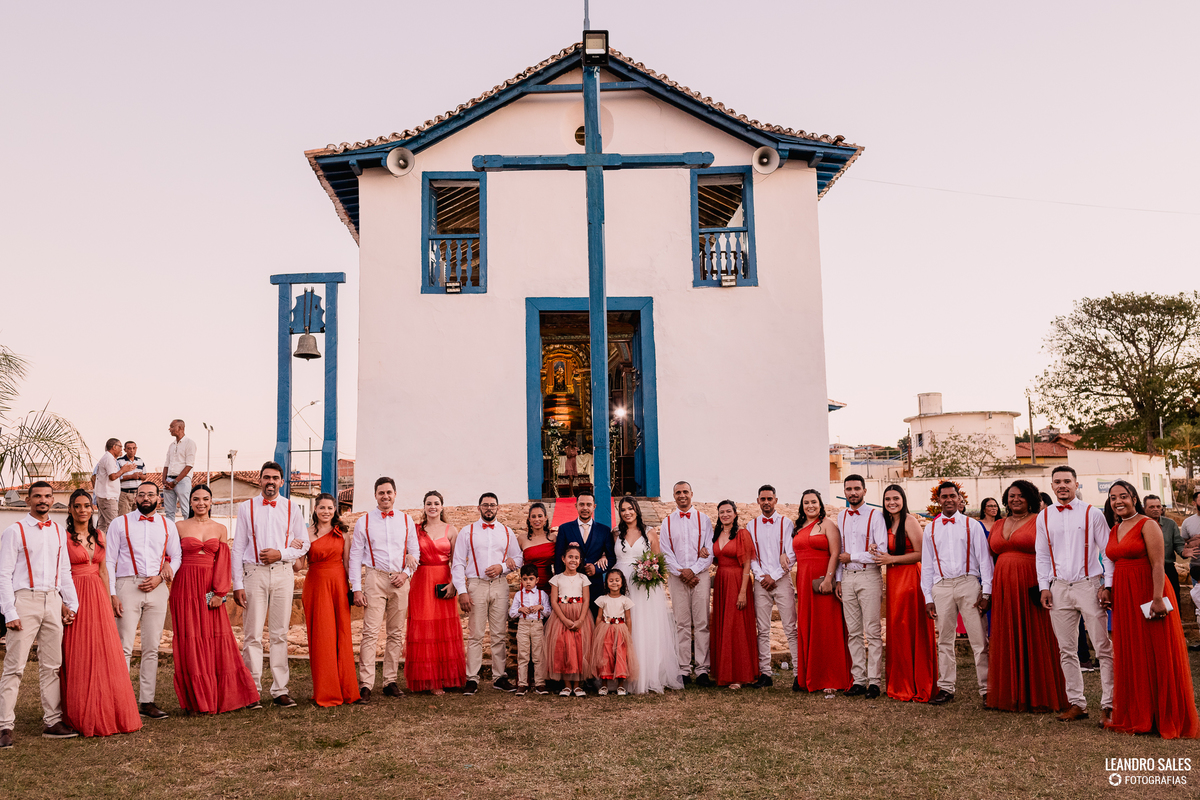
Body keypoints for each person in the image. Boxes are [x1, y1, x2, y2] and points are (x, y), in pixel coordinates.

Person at [1102, 481, 1198, 739]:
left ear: (1134, 498)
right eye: (1113, 497)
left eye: (1123, 496)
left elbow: (1158, 564)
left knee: (1157, 651)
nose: (1118, 501)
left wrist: (1157, 598)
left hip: (1149, 590)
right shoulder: (1115, 528)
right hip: (1125, 595)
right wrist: (1107, 588)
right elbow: (1112, 562)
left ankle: (1160, 715)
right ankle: (1138, 711)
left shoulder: (1148, 524)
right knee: (1134, 651)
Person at [0, 482, 80, 748]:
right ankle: (4, 726)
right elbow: (3, 574)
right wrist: (9, 611)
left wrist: (70, 603)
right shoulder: (15, 531)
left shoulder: (58, 531)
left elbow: (64, 570)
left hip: (53, 600)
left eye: (47, 496)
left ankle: (52, 721)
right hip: (25, 600)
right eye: (37, 496)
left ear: (53, 499)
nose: (42, 500)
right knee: (14, 667)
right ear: (28, 500)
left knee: (52, 666)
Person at [1035, 465, 1114, 724]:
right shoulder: (1044, 516)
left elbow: (1108, 552)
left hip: (1088, 585)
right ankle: (1077, 703)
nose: (1062, 485)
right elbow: (1042, 555)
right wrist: (1044, 586)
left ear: (1076, 484)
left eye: (1067, 481)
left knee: (1102, 647)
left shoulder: (1092, 513)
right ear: (1052, 486)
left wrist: (1108, 584)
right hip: (1058, 587)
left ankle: (1109, 704)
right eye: (1057, 481)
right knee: (1066, 649)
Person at [171, 484, 261, 714]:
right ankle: (197, 699)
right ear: (189, 502)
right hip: (184, 588)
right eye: (196, 499)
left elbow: (223, 564)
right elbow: (170, 556)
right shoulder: (179, 526)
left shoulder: (220, 529)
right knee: (190, 638)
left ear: (212, 502)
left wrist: (219, 594)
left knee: (217, 637)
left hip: (209, 588)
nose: (201, 503)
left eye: (205, 499)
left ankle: (228, 695)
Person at [60, 490, 141, 736]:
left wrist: (108, 599)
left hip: (97, 594)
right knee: (79, 651)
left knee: (104, 651)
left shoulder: (100, 535)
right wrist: (63, 602)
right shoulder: (62, 537)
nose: (83, 510)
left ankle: (107, 707)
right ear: (70, 509)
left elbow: (104, 571)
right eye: (77, 506)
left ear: (93, 508)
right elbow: (59, 572)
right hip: (75, 594)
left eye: (87, 505)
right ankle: (80, 711)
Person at [985, 480, 1067, 713]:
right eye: (1012, 495)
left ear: (1030, 498)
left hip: (1032, 582)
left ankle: (1039, 694)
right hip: (1003, 586)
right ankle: (1010, 694)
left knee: (1036, 634)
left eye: (1021, 495)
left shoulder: (1041, 520)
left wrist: (1047, 583)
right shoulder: (998, 524)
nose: (1016, 499)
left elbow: (1054, 552)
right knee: (1007, 634)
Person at [231, 461, 308, 709]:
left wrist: (281, 553)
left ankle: (280, 690)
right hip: (254, 573)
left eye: (275, 478)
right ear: (260, 480)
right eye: (266, 477)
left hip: (283, 573)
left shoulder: (292, 507)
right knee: (252, 633)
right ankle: (252, 690)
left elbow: (304, 543)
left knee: (280, 633)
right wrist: (237, 583)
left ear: (282, 482)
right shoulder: (246, 508)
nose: (271, 482)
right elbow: (238, 547)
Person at [107, 480, 182, 720]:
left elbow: (177, 556)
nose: (146, 498)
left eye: (150, 494)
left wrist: (162, 576)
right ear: (135, 497)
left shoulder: (168, 525)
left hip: (157, 587)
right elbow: (109, 560)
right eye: (141, 494)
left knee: (152, 647)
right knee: (124, 646)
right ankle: (121, 700)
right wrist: (112, 593)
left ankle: (147, 701)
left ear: (159, 498)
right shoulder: (119, 523)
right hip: (127, 585)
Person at [922, 481, 992, 706]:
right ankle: (946, 687)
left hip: (968, 583)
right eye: (944, 497)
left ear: (959, 498)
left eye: (952, 496)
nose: (949, 500)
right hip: (941, 586)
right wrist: (928, 597)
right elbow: (927, 565)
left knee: (979, 640)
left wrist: (986, 592)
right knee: (944, 640)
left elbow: (985, 560)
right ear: (938, 500)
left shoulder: (972, 525)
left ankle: (987, 689)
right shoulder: (931, 528)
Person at [349, 477, 419, 701]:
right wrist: (356, 588)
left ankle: (390, 681)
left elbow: (415, 552)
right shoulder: (364, 521)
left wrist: (405, 574)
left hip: (400, 580)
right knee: (370, 632)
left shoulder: (407, 520)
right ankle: (366, 684)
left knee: (396, 632)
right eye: (381, 493)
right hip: (375, 578)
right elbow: (355, 557)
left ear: (395, 494)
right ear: (375, 495)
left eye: (389, 492)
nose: (385, 496)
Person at [451, 492, 522, 695]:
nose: (489, 508)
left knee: (499, 634)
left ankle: (499, 677)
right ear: (479, 508)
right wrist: (462, 591)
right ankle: (472, 678)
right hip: (476, 585)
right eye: (485, 505)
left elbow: (518, 558)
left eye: (492, 505)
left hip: (500, 585)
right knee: (475, 634)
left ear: (498, 508)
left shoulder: (507, 532)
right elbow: (457, 563)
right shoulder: (467, 532)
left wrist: (502, 567)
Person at [871, 485, 935, 702]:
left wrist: (892, 559)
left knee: (909, 628)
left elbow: (921, 554)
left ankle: (915, 682)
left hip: (909, 579)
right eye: (887, 499)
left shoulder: (910, 521)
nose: (892, 502)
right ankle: (900, 681)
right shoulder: (886, 523)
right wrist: (875, 549)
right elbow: (886, 549)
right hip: (894, 580)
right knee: (898, 630)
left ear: (903, 499)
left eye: (895, 498)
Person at [612, 496, 682, 694]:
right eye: (623, 510)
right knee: (622, 626)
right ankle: (621, 675)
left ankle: (646, 674)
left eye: (630, 508)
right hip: (620, 584)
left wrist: (649, 573)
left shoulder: (650, 532)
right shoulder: (615, 533)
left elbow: (658, 561)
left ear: (637, 510)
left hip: (643, 586)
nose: (627, 513)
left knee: (643, 626)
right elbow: (609, 555)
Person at [298, 492, 358, 708]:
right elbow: (298, 566)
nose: (326, 511)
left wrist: (355, 589)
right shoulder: (306, 533)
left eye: (329, 508)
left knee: (341, 634)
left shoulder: (343, 534)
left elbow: (348, 563)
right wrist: (294, 548)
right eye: (321, 507)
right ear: (315, 510)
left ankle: (345, 688)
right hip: (315, 585)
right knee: (321, 636)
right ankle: (326, 690)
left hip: (338, 585)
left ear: (335, 510)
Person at [405, 490, 466, 696]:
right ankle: (429, 680)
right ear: (424, 506)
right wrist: (407, 556)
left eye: (436, 503)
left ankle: (447, 677)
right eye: (429, 503)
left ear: (442, 506)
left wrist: (454, 584)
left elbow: (457, 561)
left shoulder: (451, 530)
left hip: (444, 581)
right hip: (421, 581)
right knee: (424, 627)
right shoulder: (415, 530)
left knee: (444, 628)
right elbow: (406, 551)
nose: (432, 507)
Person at [793, 489, 852, 697]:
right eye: (806, 502)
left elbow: (835, 553)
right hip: (803, 582)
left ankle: (832, 677)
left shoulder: (827, 524)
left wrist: (829, 579)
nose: (810, 506)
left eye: (814, 502)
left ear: (820, 504)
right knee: (808, 626)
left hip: (822, 580)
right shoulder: (798, 527)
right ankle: (812, 675)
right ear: (802, 506)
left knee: (827, 627)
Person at [835, 474, 887, 698]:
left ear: (865, 491)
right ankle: (858, 680)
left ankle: (874, 682)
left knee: (873, 631)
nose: (853, 492)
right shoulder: (841, 516)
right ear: (844, 492)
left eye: (857, 488)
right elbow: (840, 551)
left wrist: (853, 556)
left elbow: (880, 551)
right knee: (853, 632)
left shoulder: (876, 515)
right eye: (849, 489)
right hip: (847, 577)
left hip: (869, 577)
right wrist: (839, 578)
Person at [659, 481, 713, 686]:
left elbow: (709, 550)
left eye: (685, 492)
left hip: (700, 576)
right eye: (678, 492)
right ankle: (683, 669)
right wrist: (681, 572)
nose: (682, 495)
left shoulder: (704, 519)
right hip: (677, 577)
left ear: (692, 493)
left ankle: (702, 669)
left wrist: (694, 571)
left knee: (702, 623)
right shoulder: (667, 522)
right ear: (674, 496)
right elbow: (666, 551)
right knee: (681, 623)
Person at [746, 485, 798, 689]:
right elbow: (751, 556)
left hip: (782, 580)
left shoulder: (786, 523)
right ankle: (765, 674)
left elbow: (791, 554)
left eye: (769, 498)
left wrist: (774, 576)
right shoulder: (751, 526)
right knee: (763, 629)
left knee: (790, 627)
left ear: (776, 500)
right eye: (763, 499)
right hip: (761, 583)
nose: (766, 502)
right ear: (758, 501)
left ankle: (798, 673)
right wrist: (761, 576)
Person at [708, 500, 757, 690]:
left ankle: (739, 674)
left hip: (737, 582)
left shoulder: (742, 534)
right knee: (723, 625)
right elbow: (716, 559)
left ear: (735, 514)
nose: (725, 515)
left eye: (729, 511)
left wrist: (743, 592)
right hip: (721, 581)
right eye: (722, 512)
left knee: (736, 626)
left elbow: (747, 565)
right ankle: (724, 672)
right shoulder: (716, 534)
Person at [554, 493, 614, 620]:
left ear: (594, 507)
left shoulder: (604, 530)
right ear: (576, 506)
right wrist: (560, 583)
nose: (585, 508)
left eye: (588, 504)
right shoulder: (565, 529)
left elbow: (612, 558)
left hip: (595, 586)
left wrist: (597, 569)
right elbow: (559, 558)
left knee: (594, 621)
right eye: (581, 504)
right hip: (570, 587)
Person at [546, 545, 593, 696]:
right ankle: (566, 685)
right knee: (564, 648)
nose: (573, 560)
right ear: (563, 559)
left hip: (580, 614)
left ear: (580, 561)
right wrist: (564, 620)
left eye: (576, 558)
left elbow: (586, 600)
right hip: (562, 616)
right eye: (570, 557)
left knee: (579, 647)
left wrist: (581, 620)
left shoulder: (583, 578)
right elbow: (554, 601)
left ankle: (577, 685)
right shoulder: (556, 579)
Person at [591, 568, 637, 696]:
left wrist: (629, 634)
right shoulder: (602, 599)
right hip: (606, 629)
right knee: (605, 656)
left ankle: (620, 686)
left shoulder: (625, 600)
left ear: (622, 583)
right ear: (606, 583)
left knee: (620, 655)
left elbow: (628, 619)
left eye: (617, 580)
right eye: (611, 580)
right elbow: (599, 617)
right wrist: (597, 632)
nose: (614, 583)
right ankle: (604, 685)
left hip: (620, 630)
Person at [509, 564, 550, 697]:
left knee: (538, 655)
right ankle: (522, 684)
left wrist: (540, 607)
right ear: (521, 580)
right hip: (523, 625)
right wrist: (520, 609)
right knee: (523, 655)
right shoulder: (518, 595)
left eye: (531, 579)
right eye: (525, 579)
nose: (528, 582)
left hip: (537, 625)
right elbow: (511, 613)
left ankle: (540, 683)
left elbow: (548, 612)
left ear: (537, 580)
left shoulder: (542, 594)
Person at [1144, 494, 1185, 618]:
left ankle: (1176, 624)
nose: (1156, 509)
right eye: (1151, 507)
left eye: (1158, 506)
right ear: (1144, 508)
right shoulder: (1139, 524)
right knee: (1148, 599)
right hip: (1146, 569)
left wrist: (1183, 552)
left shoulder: (1170, 524)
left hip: (1167, 568)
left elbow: (1178, 544)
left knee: (1173, 598)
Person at [95, 437, 136, 531]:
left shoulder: (110, 458)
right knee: (114, 525)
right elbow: (112, 476)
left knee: (102, 526)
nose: (122, 449)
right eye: (120, 446)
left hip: (105, 496)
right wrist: (123, 470)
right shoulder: (109, 459)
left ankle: (100, 540)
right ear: (114, 447)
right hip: (108, 498)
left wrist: (124, 470)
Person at [161, 419, 197, 521]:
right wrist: (164, 480)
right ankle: (170, 530)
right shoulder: (171, 445)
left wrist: (175, 481)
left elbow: (189, 465)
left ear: (180, 428)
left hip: (183, 480)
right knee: (169, 512)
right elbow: (166, 464)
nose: (169, 429)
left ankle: (188, 530)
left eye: (172, 427)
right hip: (169, 480)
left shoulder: (189, 443)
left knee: (186, 510)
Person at [519, 501, 557, 593]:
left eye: (540, 516)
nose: (537, 519)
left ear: (545, 518)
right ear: (529, 519)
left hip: (549, 585)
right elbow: (514, 558)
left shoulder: (553, 538)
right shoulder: (521, 539)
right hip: (528, 586)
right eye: (533, 516)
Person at [1181, 489, 1200, 650]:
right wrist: (1192, 542)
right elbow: (1184, 545)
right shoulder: (1188, 522)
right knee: (1199, 605)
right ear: (1194, 503)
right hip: (1197, 568)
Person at [115, 441, 147, 517]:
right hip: (124, 494)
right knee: (124, 517)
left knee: (138, 516)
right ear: (125, 450)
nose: (131, 450)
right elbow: (116, 477)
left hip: (138, 494)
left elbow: (145, 476)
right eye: (129, 448)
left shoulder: (140, 461)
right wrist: (131, 476)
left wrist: (141, 476)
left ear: (136, 449)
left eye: (133, 448)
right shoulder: (119, 461)